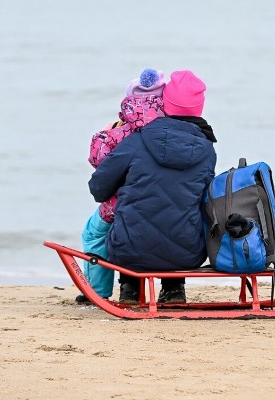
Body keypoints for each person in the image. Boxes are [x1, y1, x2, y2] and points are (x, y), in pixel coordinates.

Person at [88, 70, 217, 304]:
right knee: (180, 209)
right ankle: (174, 289)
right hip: (188, 254)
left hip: (129, 250)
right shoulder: (207, 149)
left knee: (128, 219)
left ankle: (130, 290)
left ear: (164, 103)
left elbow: (99, 188)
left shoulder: (137, 140)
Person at [76, 68, 166, 303]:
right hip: (163, 204)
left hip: (121, 206)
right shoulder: (173, 130)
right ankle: (171, 288)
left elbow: (101, 163)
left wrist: (104, 134)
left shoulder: (120, 131)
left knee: (94, 234)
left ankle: (98, 290)